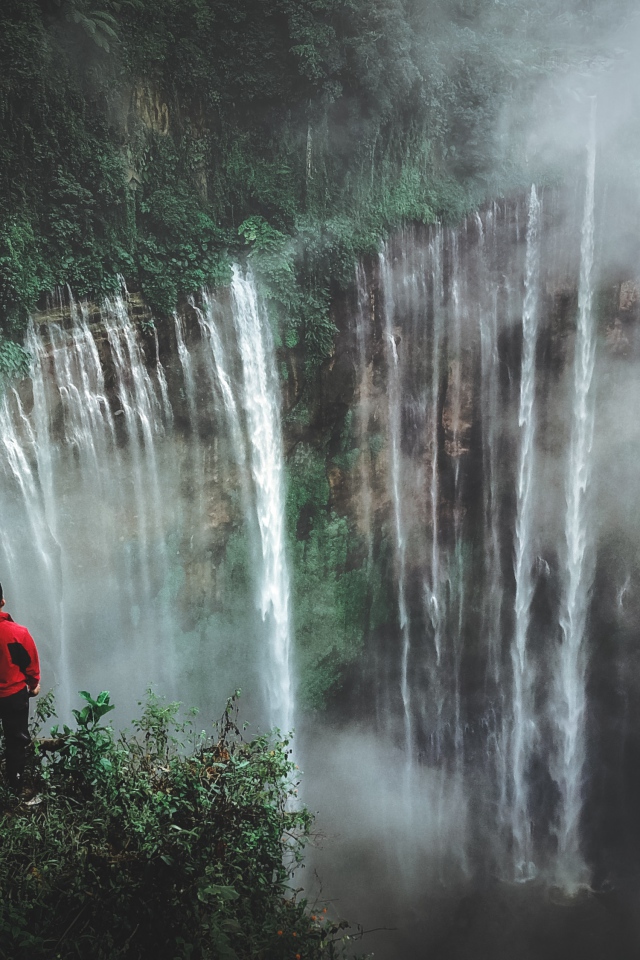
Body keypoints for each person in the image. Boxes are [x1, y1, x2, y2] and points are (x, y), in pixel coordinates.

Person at [0, 583, 40, 794]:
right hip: (13, 696)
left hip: (12, 695)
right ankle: (16, 788)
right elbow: (30, 665)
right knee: (16, 741)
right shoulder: (18, 633)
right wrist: (33, 686)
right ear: (2, 602)